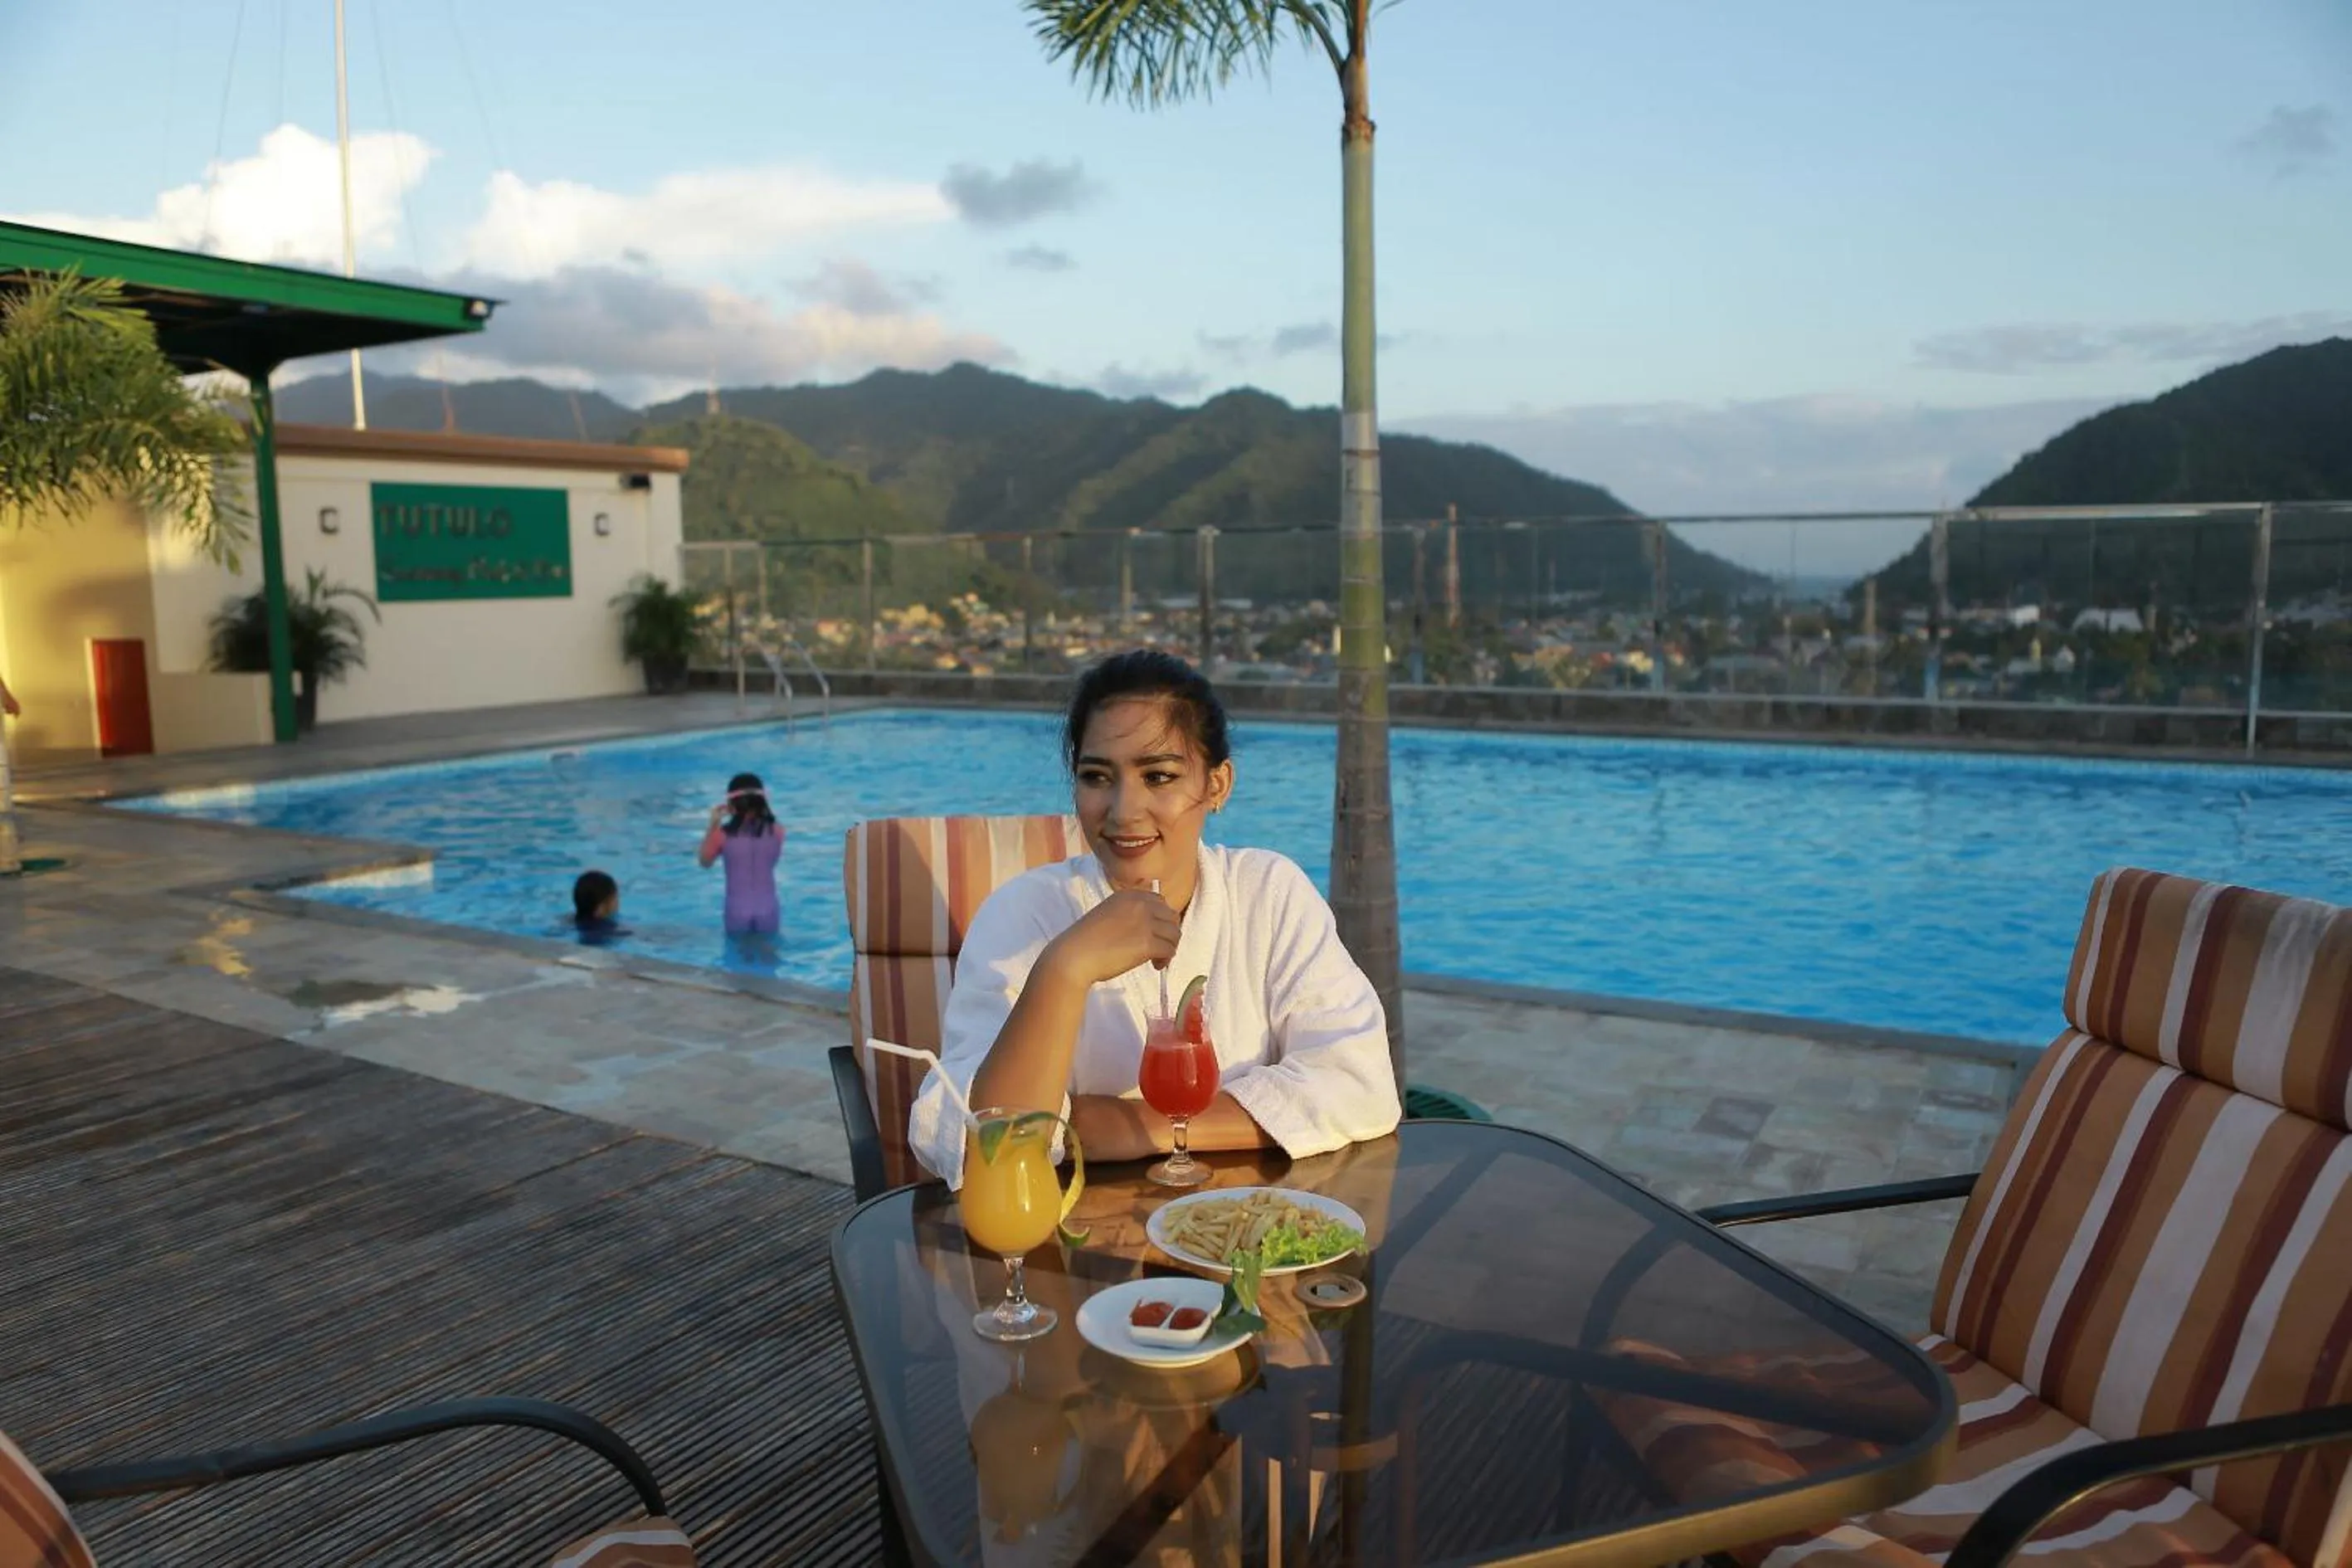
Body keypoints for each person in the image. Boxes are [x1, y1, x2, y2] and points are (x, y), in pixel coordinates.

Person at [908, 650, 1401, 1186]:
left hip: (1244, 1223)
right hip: (1069, 1227)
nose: (1124, 811)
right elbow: (974, 1143)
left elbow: (1362, 1084)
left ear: (1217, 785)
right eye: (1096, 777)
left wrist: (1130, 1128)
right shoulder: (1022, 916)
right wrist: (1065, 969)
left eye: (1159, 776)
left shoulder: (1268, 894)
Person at [699, 771, 782, 935]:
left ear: (731, 804)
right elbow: (771, 861)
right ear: (763, 801)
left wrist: (713, 824)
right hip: (768, 910)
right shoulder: (778, 832)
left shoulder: (722, 835)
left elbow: (704, 862)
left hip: (737, 911)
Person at [571, 869, 627, 944]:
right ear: (601, 909)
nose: (618, 901)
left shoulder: (569, 921)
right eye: (614, 898)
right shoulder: (611, 930)